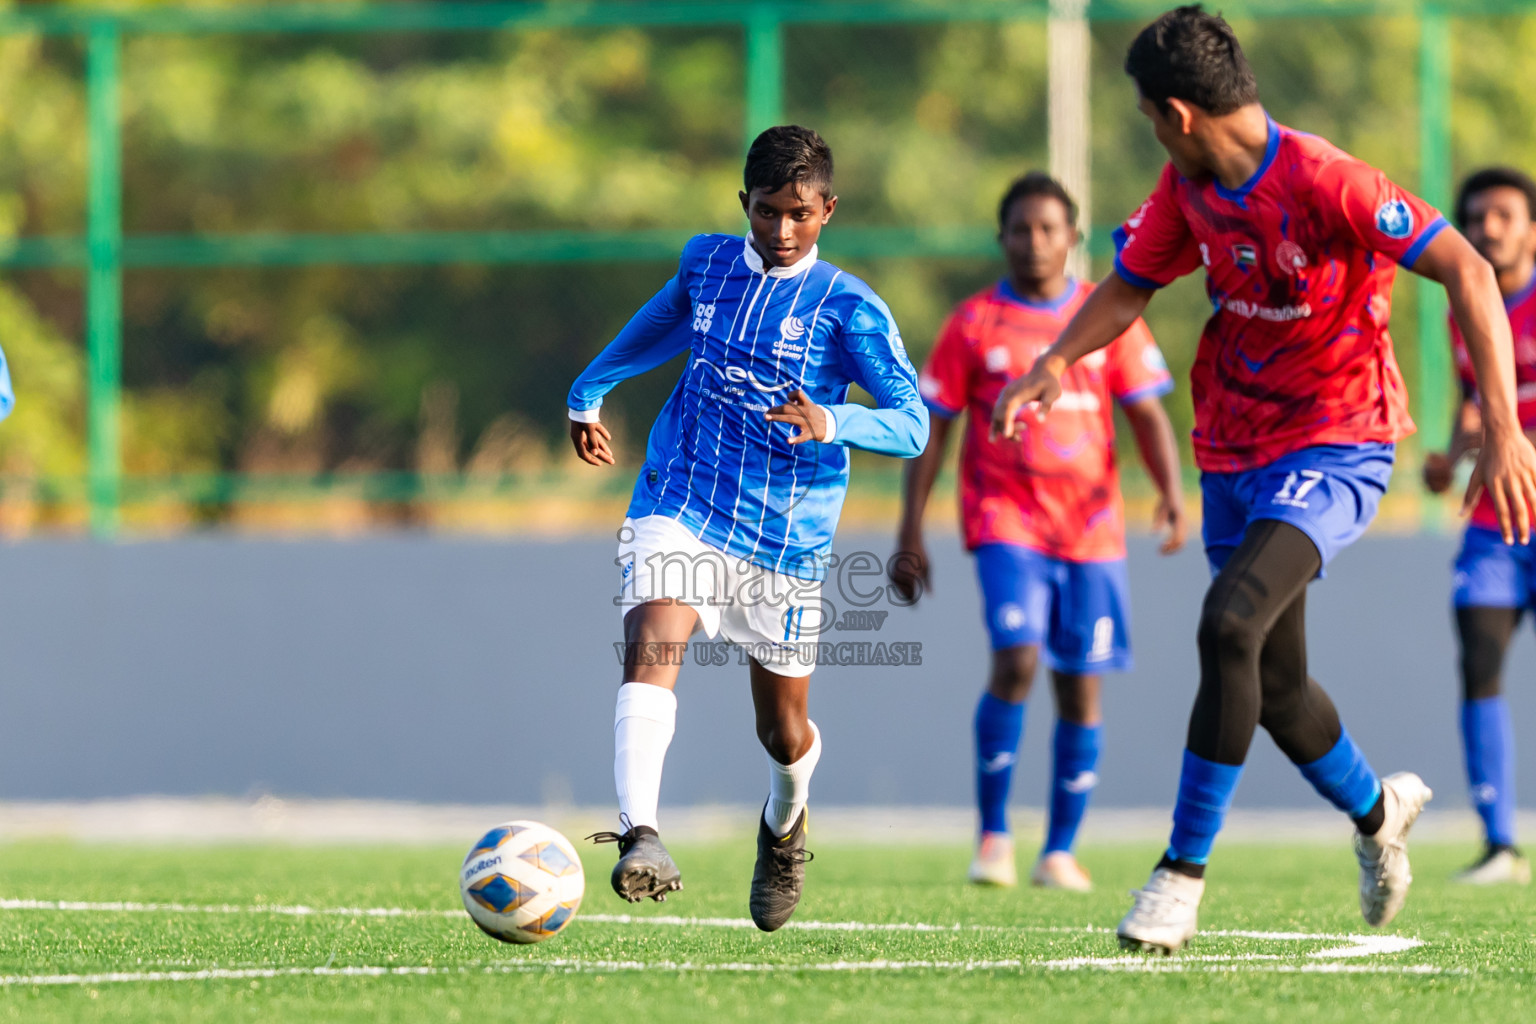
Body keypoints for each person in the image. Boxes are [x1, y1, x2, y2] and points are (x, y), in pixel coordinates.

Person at [992, 5, 1536, 953]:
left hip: (1338, 442)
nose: (1153, 134)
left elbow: (1469, 272)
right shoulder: (1186, 187)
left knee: (1227, 624)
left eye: (1149, 117)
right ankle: (1379, 816)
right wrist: (1053, 362)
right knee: (1274, 683)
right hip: (1233, 449)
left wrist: (1503, 424)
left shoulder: (1330, 180)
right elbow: (1128, 284)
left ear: (1178, 112)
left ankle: (1179, 876)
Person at [566, 125, 928, 932]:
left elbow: (913, 425)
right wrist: (588, 391)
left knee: (782, 728)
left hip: (783, 538)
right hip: (681, 497)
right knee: (653, 641)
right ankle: (641, 836)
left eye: (799, 213)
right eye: (767, 213)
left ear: (828, 209)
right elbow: (660, 325)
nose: (782, 230)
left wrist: (834, 421)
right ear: (745, 205)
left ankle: (785, 821)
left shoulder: (850, 308)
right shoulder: (708, 263)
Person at [891, 172, 1184, 891]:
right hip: (1005, 519)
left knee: (1081, 688)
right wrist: (911, 530)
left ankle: (1060, 849)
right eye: (1020, 229)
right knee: (1017, 659)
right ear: (1003, 238)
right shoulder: (974, 324)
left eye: (1048, 228)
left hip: (1092, 531)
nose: (1034, 242)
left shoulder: (1107, 317)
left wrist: (1174, 495)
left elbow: (1148, 414)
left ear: (1073, 238)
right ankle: (993, 836)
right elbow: (935, 430)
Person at [1422, 167, 1536, 886]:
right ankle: (1500, 844)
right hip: (1496, 524)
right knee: (1479, 658)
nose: (1488, 227)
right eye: (1475, 217)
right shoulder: (1461, 307)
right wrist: (1453, 453)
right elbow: (1478, 403)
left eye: (1503, 214)